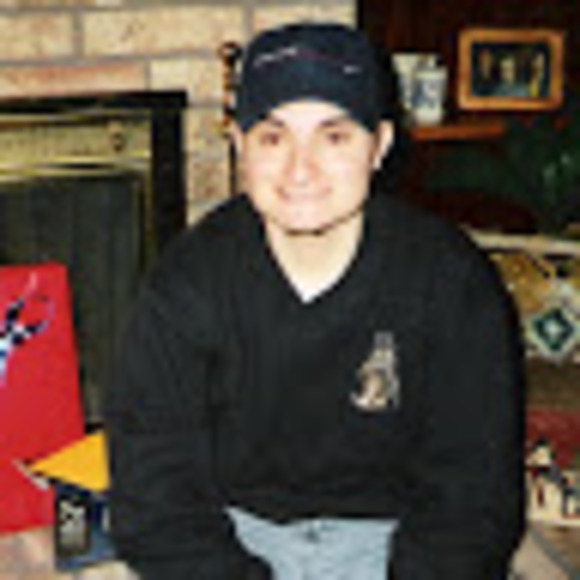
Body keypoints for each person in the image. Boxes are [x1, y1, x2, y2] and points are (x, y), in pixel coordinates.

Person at [105, 21, 525, 579]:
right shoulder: (187, 281)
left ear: (379, 146)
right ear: (239, 146)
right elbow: (154, 494)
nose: (300, 170)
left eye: (334, 137)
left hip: (394, 536)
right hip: (230, 533)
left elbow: (471, 497)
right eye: (273, 138)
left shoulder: (450, 281)